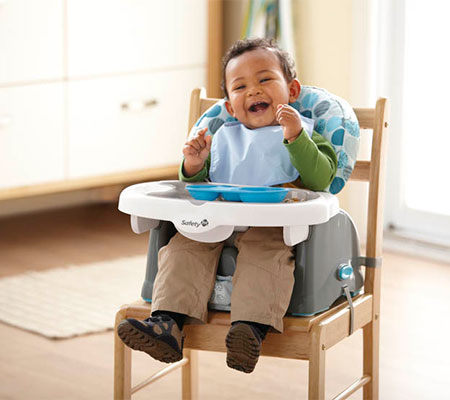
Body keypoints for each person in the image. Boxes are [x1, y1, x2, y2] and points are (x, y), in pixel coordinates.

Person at [118, 38, 337, 373]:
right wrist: (194, 163)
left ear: (292, 90)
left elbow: (321, 180)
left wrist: (296, 138)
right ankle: (166, 324)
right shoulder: (222, 138)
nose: (254, 91)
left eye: (265, 80)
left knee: (266, 255)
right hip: (216, 223)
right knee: (183, 247)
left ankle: (248, 330)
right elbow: (195, 190)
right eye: (240, 86)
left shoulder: (304, 133)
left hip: (272, 228)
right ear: (231, 107)